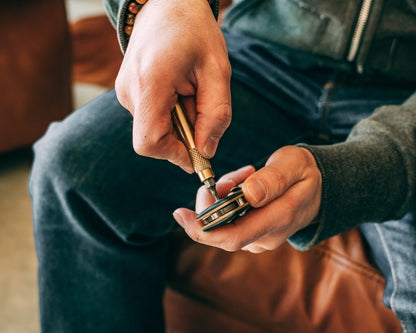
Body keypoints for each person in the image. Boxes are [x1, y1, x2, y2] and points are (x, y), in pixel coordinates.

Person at [29, 0, 416, 331]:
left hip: (406, 101)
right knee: (73, 169)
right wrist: (159, 8)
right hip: (261, 53)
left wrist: (348, 178)